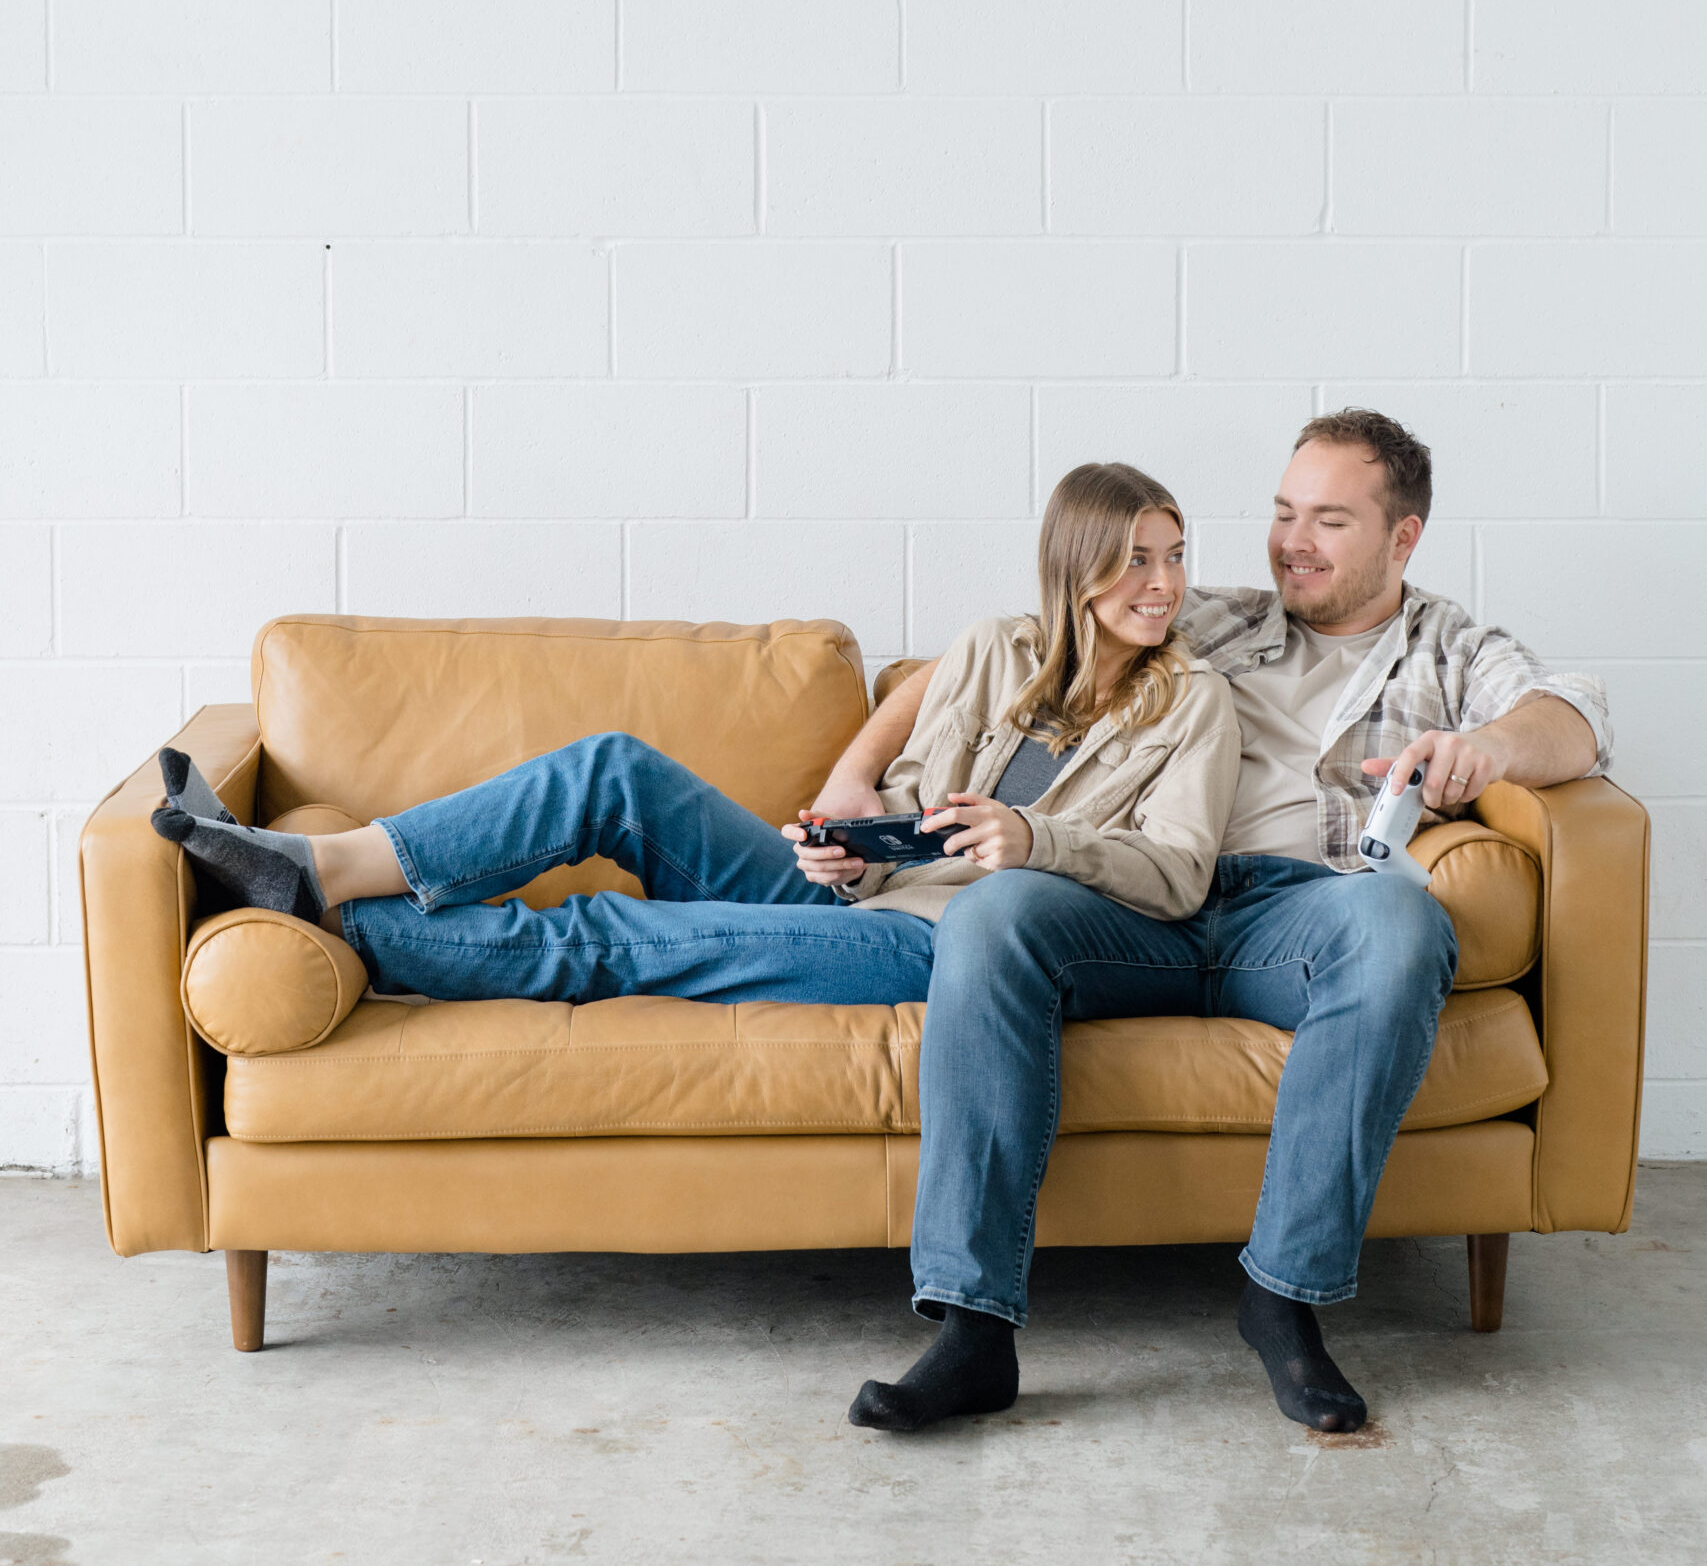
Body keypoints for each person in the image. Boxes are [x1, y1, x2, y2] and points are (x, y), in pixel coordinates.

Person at [153, 463, 1240, 1418]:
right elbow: (907, 779)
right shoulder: (994, 650)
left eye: (1176, 557)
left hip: (946, 942)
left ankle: (348, 930)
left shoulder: (1191, 701)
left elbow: (1181, 872)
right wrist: (845, 833)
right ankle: (324, 867)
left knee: (623, 935)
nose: (1164, 583)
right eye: (1136, 559)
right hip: (866, 889)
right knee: (611, 769)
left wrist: (1032, 839)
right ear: (1073, 568)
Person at [840, 409, 1611, 1438]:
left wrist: (1494, 750)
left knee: (1400, 923)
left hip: (1299, 915)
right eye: (1286, 512)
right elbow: (997, 653)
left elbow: (1580, 711)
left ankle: (1284, 1296)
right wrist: (853, 774)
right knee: (996, 913)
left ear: (1403, 537)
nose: (1294, 540)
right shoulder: (1216, 615)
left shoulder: (1449, 648)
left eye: (1329, 520)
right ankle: (974, 1327)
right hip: (1138, 902)